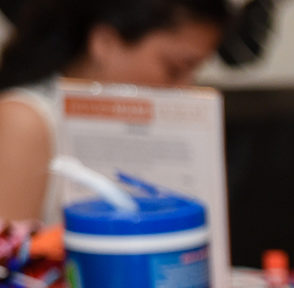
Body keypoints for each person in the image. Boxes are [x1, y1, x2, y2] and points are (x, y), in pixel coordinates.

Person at [0, 0, 229, 223]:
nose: (184, 87)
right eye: (174, 68)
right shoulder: (25, 121)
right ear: (105, 42)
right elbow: (7, 253)